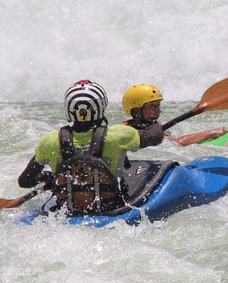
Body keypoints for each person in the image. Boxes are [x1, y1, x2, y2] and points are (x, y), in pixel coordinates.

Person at [17, 79, 149, 216]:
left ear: (69, 108)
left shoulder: (49, 140)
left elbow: (25, 181)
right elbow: (154, 137)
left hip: (67, 213)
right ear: (101, 106)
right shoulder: (119, 134)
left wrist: (48, 177)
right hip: (109, 209)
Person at [121, 83, 228, 152]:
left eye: (158, 105)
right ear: (136, 109)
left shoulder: (150, 126)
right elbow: (175, 142)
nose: (158, 111)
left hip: (172, 150)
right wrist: (209, 132)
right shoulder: (129, 131)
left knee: (206, 141)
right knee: (201, 148)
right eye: (152, 106)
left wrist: (213, 133)